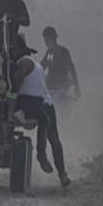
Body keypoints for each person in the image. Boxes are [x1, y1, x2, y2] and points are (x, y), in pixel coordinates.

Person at [12, 37, 69, 187]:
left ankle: (42, 155)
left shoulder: (23, 63)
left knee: (51, 133)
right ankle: (62, 174)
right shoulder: (36, 65)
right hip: (44, 102)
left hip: (35, 102)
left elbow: (16, 87)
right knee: (54, 138)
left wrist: (9, 100)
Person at [40, 26, 81, 102]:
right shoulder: (49, 52)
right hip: (50, 87)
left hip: (61, 87)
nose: (44, 41)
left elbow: (71, 68)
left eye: (46, 39)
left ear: (51, 38)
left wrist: (76, 86)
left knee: (56, 104)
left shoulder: (62, 51)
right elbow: (41, 67)